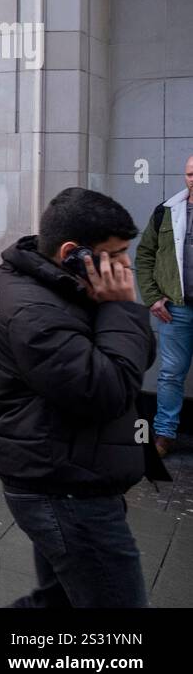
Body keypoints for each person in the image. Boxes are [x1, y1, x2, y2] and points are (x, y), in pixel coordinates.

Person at [0, 187, 157, 608]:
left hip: (73, 472)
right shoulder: (36, 313)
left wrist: (120, 310)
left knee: (57, 604)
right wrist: (122, 308)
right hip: (63, 487)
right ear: (71, 252)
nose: (124, 265)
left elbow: (135, 359)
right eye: (114, 254)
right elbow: (109, 390)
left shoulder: (65, 284)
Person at [136, 154, 193, 458]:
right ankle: (164, 435)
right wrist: (152, 297)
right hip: (177, 309)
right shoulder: (166, 212)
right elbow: (144, 255)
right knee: (171, 373)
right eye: (190, 174)